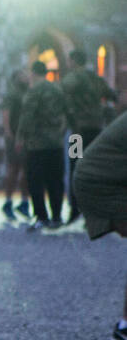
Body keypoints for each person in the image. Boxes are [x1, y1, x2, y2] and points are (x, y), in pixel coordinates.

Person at [70, 110, 127, 340]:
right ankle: (125, 326)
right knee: (74, 154)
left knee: (74, 155)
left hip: (87, 144)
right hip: (96, 173)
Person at [62, 48, 117, 225]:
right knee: (94, 169)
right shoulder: (96, 78)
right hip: (95, 130)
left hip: (77, 132)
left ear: (74, 62)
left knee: (75, 168)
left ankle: (75, 209)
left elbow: (62, 89)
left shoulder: (74, 78)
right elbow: (112, 95)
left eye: (69, 62)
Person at [16, 59, 70, 230]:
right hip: (56, 142)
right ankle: (57, 216)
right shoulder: (57, 89)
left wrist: (20, 137)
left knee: (35, 180)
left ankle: (41, 216)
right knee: (55, 179)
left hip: (37, 143)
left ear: (33, 73)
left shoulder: (34, 91)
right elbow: (66, 111)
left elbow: (27, 116)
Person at [1, 70, 31, 221]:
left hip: (27, 138)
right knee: (14, 168)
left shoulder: (28, 93)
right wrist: (8, 132)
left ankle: (24, 202)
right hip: (14, 136)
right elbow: (6, 113)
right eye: (23, 76)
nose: (26, 77)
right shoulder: (12, 94)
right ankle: (8, 202)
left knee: (26, 169)